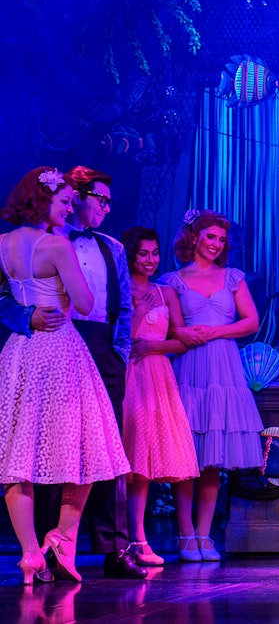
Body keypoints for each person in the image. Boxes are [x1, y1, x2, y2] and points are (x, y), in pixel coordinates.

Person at [0, 167, 130, 584]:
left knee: (18, 457)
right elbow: (88, 302)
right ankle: (63, 534)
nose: (69, 207)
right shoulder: (56, 245)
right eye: (63, 202)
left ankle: (30, 554)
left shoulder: (1, 244)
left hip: (19, 353)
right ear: (43, 201)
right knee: (89, 445)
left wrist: (24, 312)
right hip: (59, 350)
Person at [53, 166, 144, 579]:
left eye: (110, 202)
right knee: (57, 443)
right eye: (100, 199)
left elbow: (124, 304)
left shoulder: (113, 247)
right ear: (77, 196)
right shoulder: (50, 239)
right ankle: (49, 543)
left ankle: (115, 547)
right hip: (59, 342)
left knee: (108, 450)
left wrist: (120, 352)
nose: (106, 208)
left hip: (104, 346)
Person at [160, 209, 264, 562]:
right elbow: (169, 327)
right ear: (194, 238)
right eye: (210, 237)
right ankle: (184, 534)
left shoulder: (232, 277)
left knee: (212, 456)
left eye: (221, 239)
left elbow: (251, 321)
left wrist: (216, 332)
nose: (216, 244)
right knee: (186, 453)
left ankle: (205, 534)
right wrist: (184, 333)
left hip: (223, 363)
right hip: (189, 365)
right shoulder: (172, 280)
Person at [120, 226, 200, 567]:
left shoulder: (165, 292)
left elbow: (180, 338)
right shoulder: (121, 288)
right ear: (130, 255)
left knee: (147, 461)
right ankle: (124, 539)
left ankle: (139, 539)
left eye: (154, 253)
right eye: (143, 254)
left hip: (157, 373)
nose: (151, 260)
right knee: (128, 457)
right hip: (126, 372)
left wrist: (155, 346)